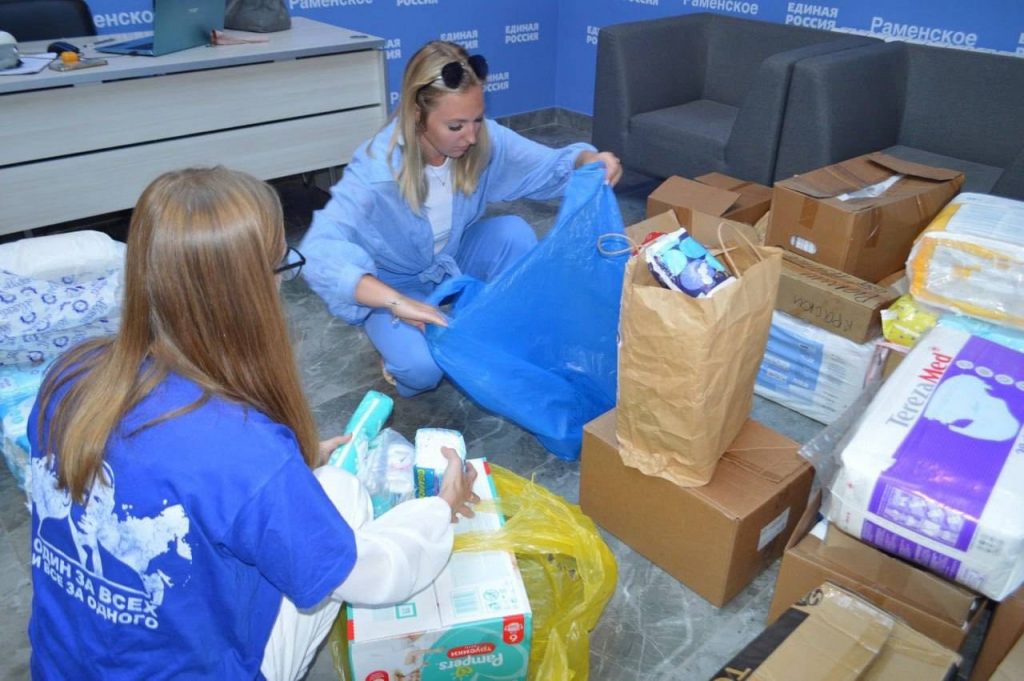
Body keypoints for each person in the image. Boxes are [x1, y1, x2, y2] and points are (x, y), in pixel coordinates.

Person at [28, 167, 478, 681]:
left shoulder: (70, 375)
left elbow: (156, 472)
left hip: (61, 667)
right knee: (343, 492)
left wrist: (285, 473)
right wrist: (439, 510)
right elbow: (376, 576)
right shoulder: (243, 449)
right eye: (282, 265)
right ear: (250, 292)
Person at [301, 40, 622, 398]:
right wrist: (395, 302)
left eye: (477, 120)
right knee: (422, 370)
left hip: (452, 256)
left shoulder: (483, 139)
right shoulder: (377, 168)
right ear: (417, 115)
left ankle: (483, 322)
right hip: (395, 283)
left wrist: (587, 161)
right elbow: (318, 251)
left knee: (513, 232)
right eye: (455, 126)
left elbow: (548, 165)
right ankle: (394, 345)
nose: (470, 137)